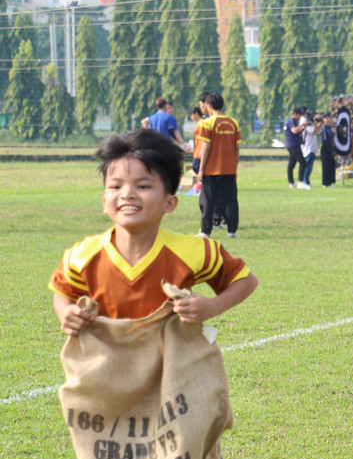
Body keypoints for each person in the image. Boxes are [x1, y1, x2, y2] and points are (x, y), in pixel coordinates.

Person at [51, 129, 258, 332]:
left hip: (171, 364)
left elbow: (245, 281)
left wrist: (210, 307)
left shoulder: (192, 251)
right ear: (105, 202)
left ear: (169, 203)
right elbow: (63, 291)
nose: (127, 194)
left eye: (143, 186)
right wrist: (67, 313)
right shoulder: (82, 255)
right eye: (116, 186)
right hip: (106, 363)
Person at [193, 92, 241, 240]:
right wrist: (235, 168)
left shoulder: (206, 123)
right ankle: (232, 230)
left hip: (211, 169)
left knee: (208, 200)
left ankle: (205, 231)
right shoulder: (233, 123)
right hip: (229, 168)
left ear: (208, 106)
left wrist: (201, 169)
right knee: (231, 199)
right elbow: (237, 148)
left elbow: (205, 147)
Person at [283, 108, 307, 187]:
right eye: (299, 115)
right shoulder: (292, 121)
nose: (300, 117)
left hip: (292, 144)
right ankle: (300, 182)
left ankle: (292, 183)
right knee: (303, 162)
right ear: (295, 114)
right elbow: (294, 131)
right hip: (293, 145)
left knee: (291, 164)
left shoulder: (291, 121)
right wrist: (302, 124)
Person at [299, 111, 320, 189]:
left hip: (312, 147)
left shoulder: (309, 124)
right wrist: (314, 122)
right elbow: (312, 131)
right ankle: (305, 181)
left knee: (310, 166)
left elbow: (315, 130)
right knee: (307, 166)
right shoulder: (305, 124)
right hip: (307, 148)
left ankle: (305, 181)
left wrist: (320, 123)